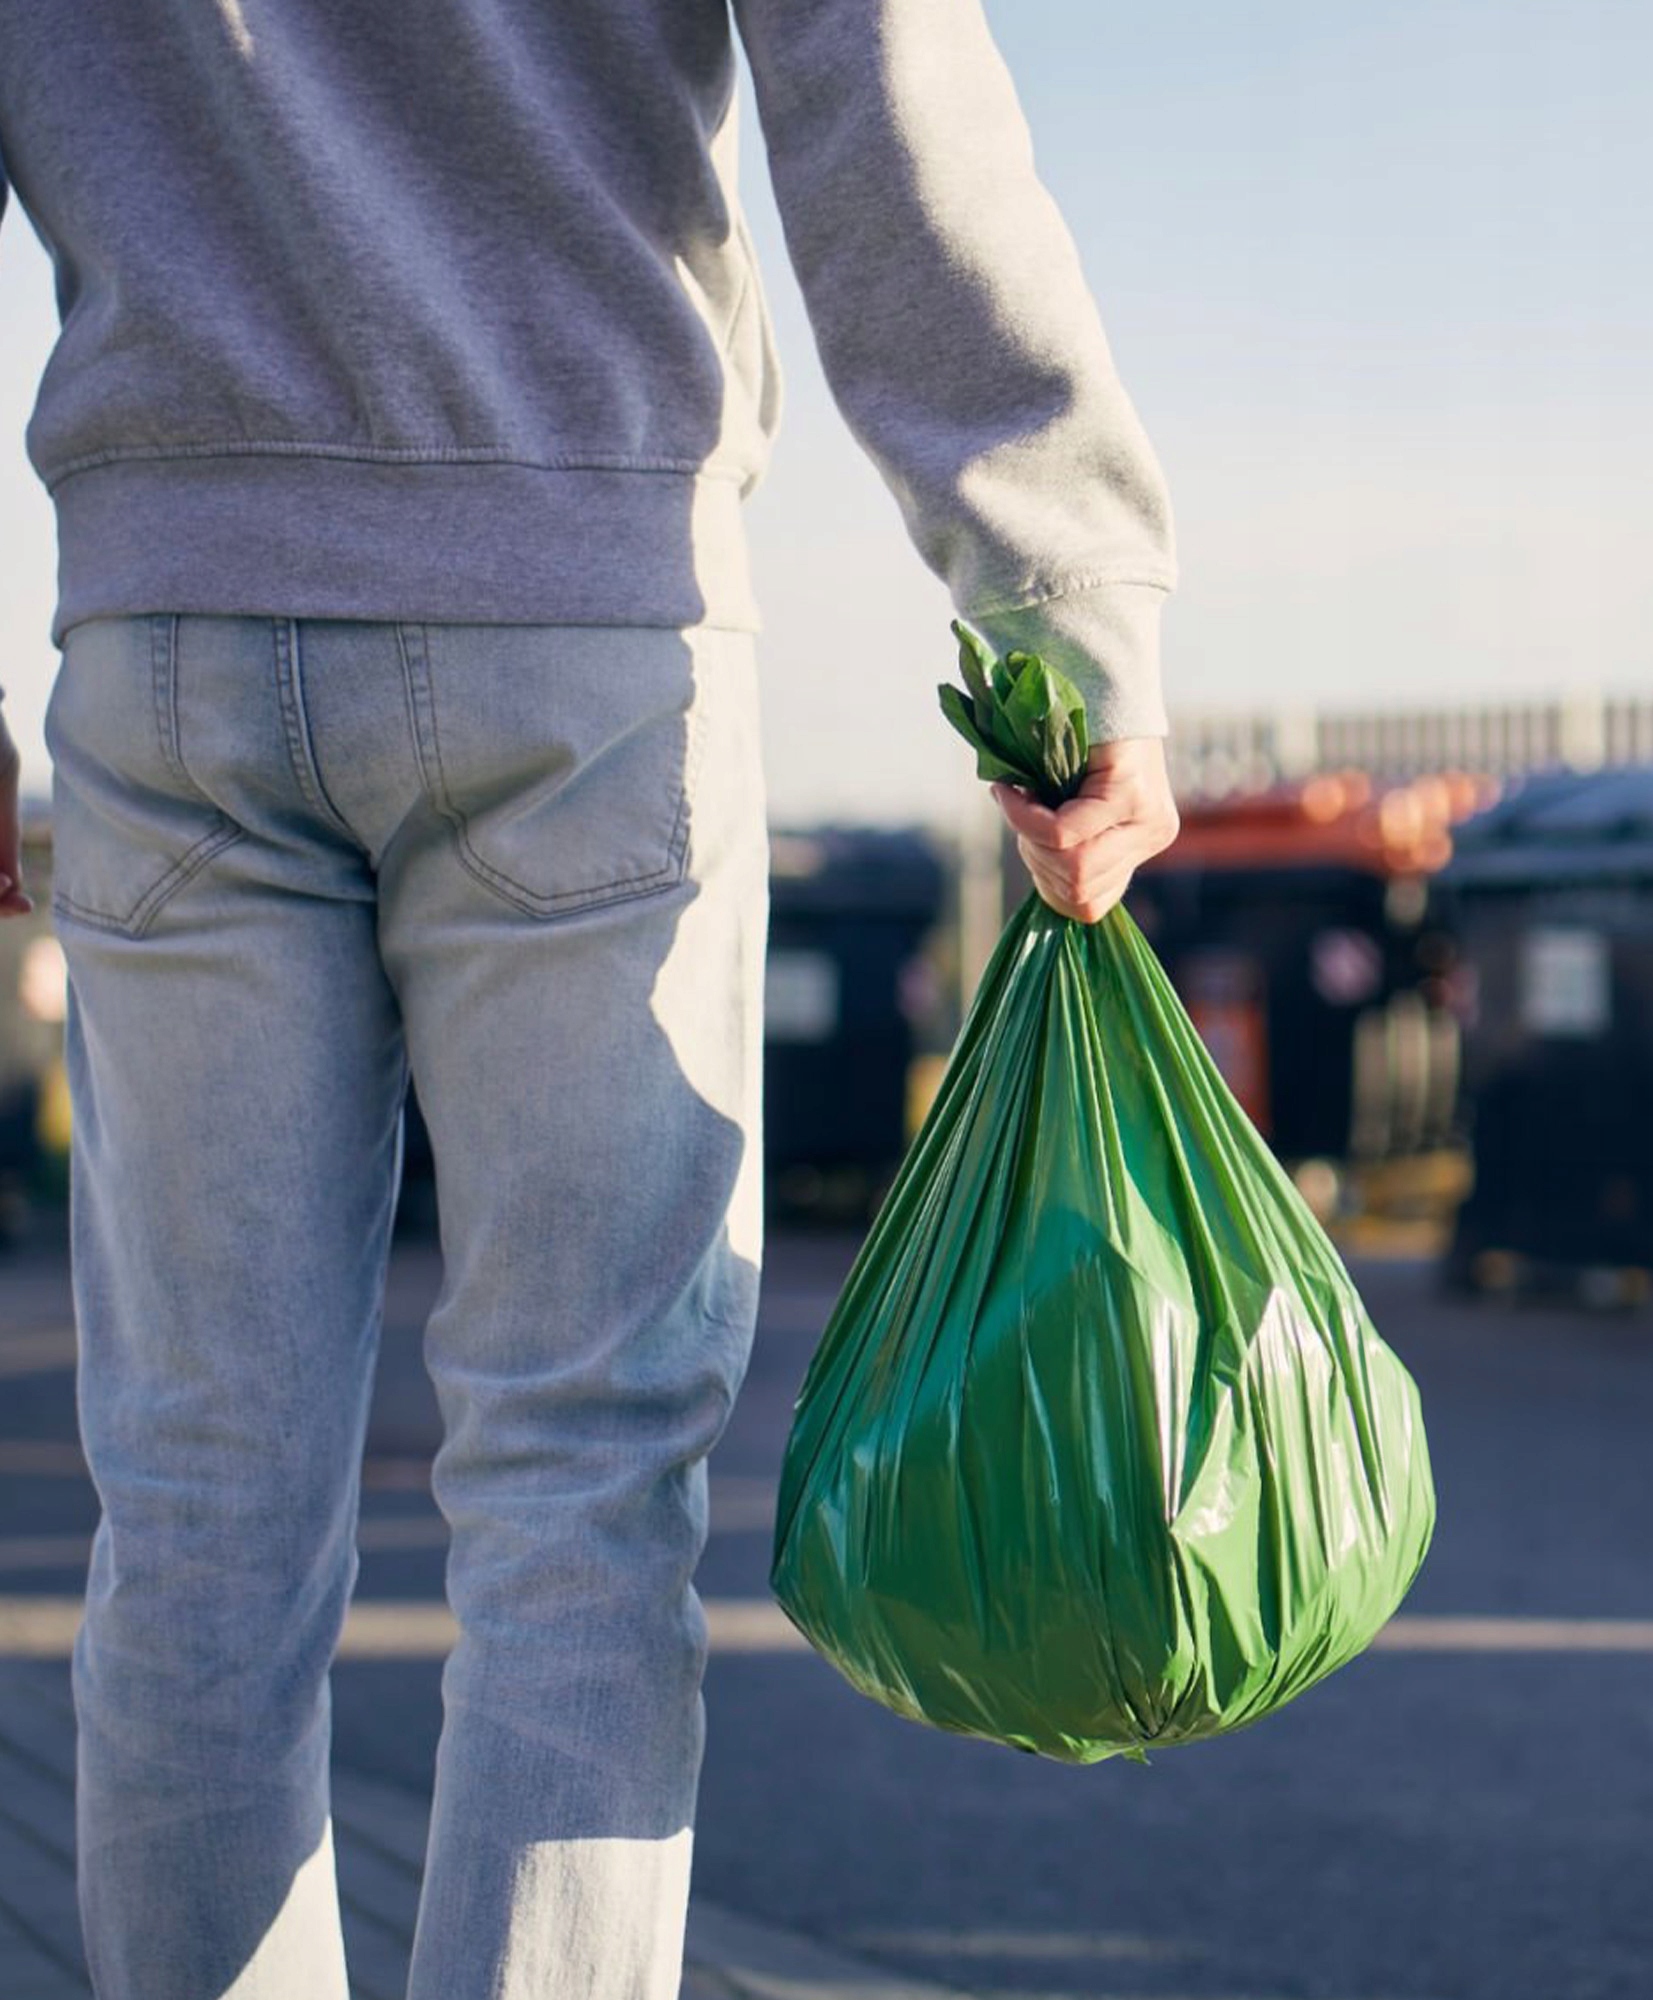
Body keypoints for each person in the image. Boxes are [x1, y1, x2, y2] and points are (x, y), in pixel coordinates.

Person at [0, 0, 1178, 1993]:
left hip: (168, 622)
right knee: (577, 1497)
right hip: (582, 621)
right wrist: (1059, 594)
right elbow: (875, 72)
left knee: (196, 1503)